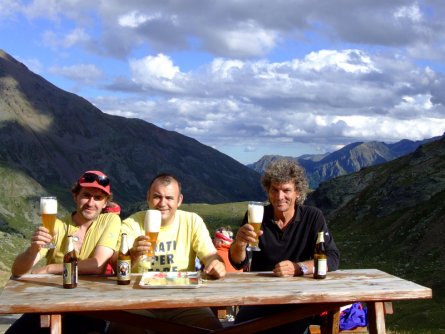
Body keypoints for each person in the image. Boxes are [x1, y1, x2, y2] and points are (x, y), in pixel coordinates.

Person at [229, 159, 340, 334]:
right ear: (268, 190)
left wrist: (298, 268)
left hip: (298, 299)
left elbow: (332, 258)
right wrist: (240, 243)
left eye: (286, 190)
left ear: (298, 192)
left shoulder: (313, 217)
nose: (279, 197)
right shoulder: (257, 216)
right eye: (274, 190)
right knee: (240, 328)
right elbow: (237, 262)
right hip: (260, 297)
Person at [108, 173, 226, 333]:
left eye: (169, 198)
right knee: (122, 329)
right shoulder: (132, 223)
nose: (162, 203)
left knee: (213, 329)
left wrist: (216, 263)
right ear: (148, 197)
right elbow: (116, 266)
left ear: (179, 200)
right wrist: (133, 254)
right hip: (138, 302)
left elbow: (211, 256)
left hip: (183, 302)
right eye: (157, 197)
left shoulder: (192, 221)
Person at [7, 170, 121, 334]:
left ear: (105, 203)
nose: (90, 202)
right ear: (75, 196)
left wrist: (50, 268)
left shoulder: (110, 220)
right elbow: (18, 270)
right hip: (52, 304)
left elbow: (97, 265)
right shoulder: (58, 226)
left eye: (98, 198)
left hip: (90, 308)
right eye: (86, 195)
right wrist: (33, 250)